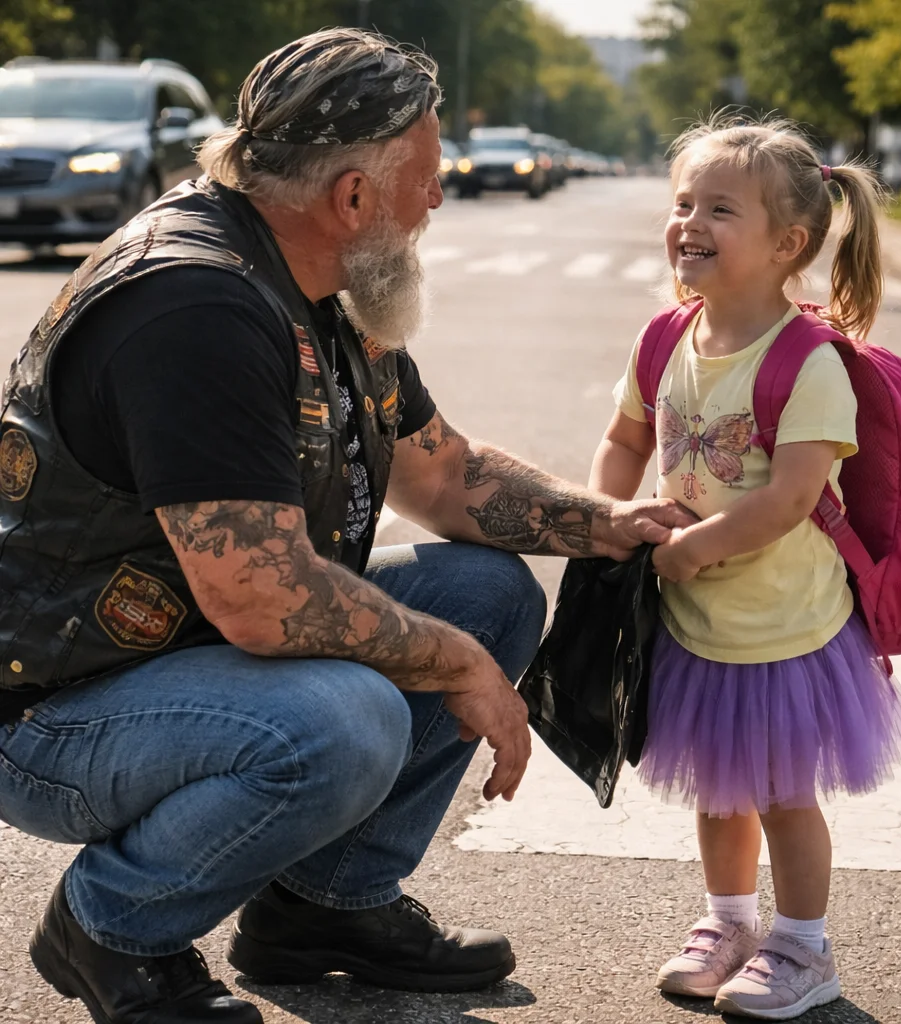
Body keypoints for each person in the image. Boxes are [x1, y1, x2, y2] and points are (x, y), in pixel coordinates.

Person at [0, 29, 694, 1024]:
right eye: (427, 174)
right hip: (55, 711)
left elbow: (442, 472)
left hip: (184, 655)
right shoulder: (197, 308)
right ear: (354, 198)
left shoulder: (322, 281)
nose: (440, 197)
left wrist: (612, 524)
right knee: (348, 718)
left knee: (488, 593)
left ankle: (324, 908)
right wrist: (456, 665)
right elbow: (261, 599)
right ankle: (111, 925)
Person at [589, 115, 901, 1021]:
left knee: (781, 794)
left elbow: (791, 497)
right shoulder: (665, 339)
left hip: (784, 627)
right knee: (719, 789)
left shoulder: (807, 363)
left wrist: (692, 548)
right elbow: (623, 439)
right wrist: (606, 517)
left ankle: (805, 949)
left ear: (788, 245)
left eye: (720, 209)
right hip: (695, 619)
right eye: (683, 204)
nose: (690, 222)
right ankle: (729, 923)